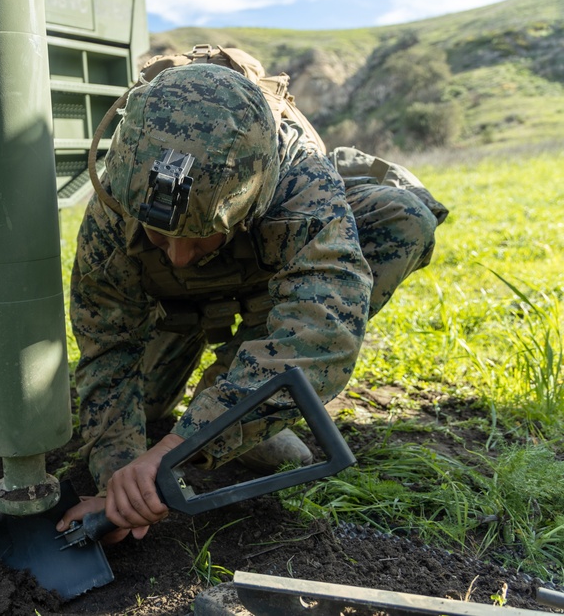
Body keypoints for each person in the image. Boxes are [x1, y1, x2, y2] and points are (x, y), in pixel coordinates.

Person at [56, 56, 446, 544]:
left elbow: (319, 332)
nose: (178, 256)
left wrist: (184, 443)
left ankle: (238, 404)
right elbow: (107, 348)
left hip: (265, 289)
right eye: (159, 236)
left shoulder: (301, 183)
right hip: (169, 309)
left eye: (199, 239)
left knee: (405, 215)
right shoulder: (117, 202)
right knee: (149, 407)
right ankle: (231, 408)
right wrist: (117, 480)